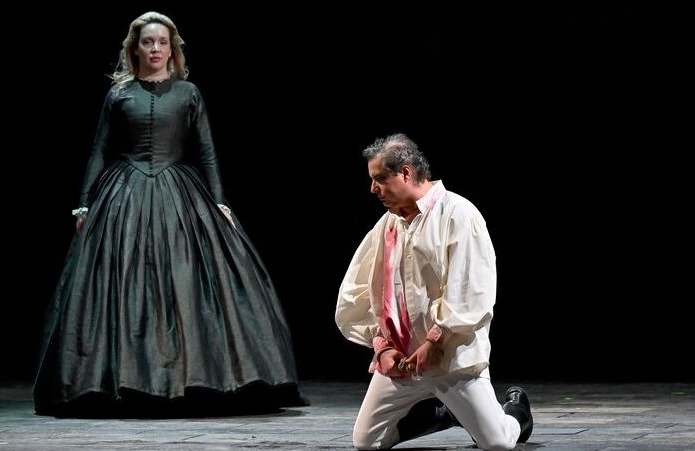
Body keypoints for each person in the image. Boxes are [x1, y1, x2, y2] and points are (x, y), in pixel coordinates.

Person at [33, 11, 304, 417]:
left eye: (162, 42)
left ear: (172, 48)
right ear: (135, 49)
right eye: (148, 42)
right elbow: (99, 149)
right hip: (124, 194)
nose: (156, 48)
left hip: (180, 192)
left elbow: (206, 151)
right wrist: (84, 203)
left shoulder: (188, 92)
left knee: (189, 280)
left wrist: (220, 203)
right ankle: (115, 382)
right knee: (118, 281)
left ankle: (199, 380)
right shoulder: (119, 94)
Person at [335, 133, 532, 450]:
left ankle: (515, 411)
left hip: (449, 359)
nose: (373, 188)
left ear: (405, 173)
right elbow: (363, 290)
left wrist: (435, 340)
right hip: (402, 361)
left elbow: (470, 289)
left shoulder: (458, 214)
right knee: (366, 442)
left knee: (497, 443)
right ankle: (447, 413)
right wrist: (382, 346)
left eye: (380, 179)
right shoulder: (387, 225)